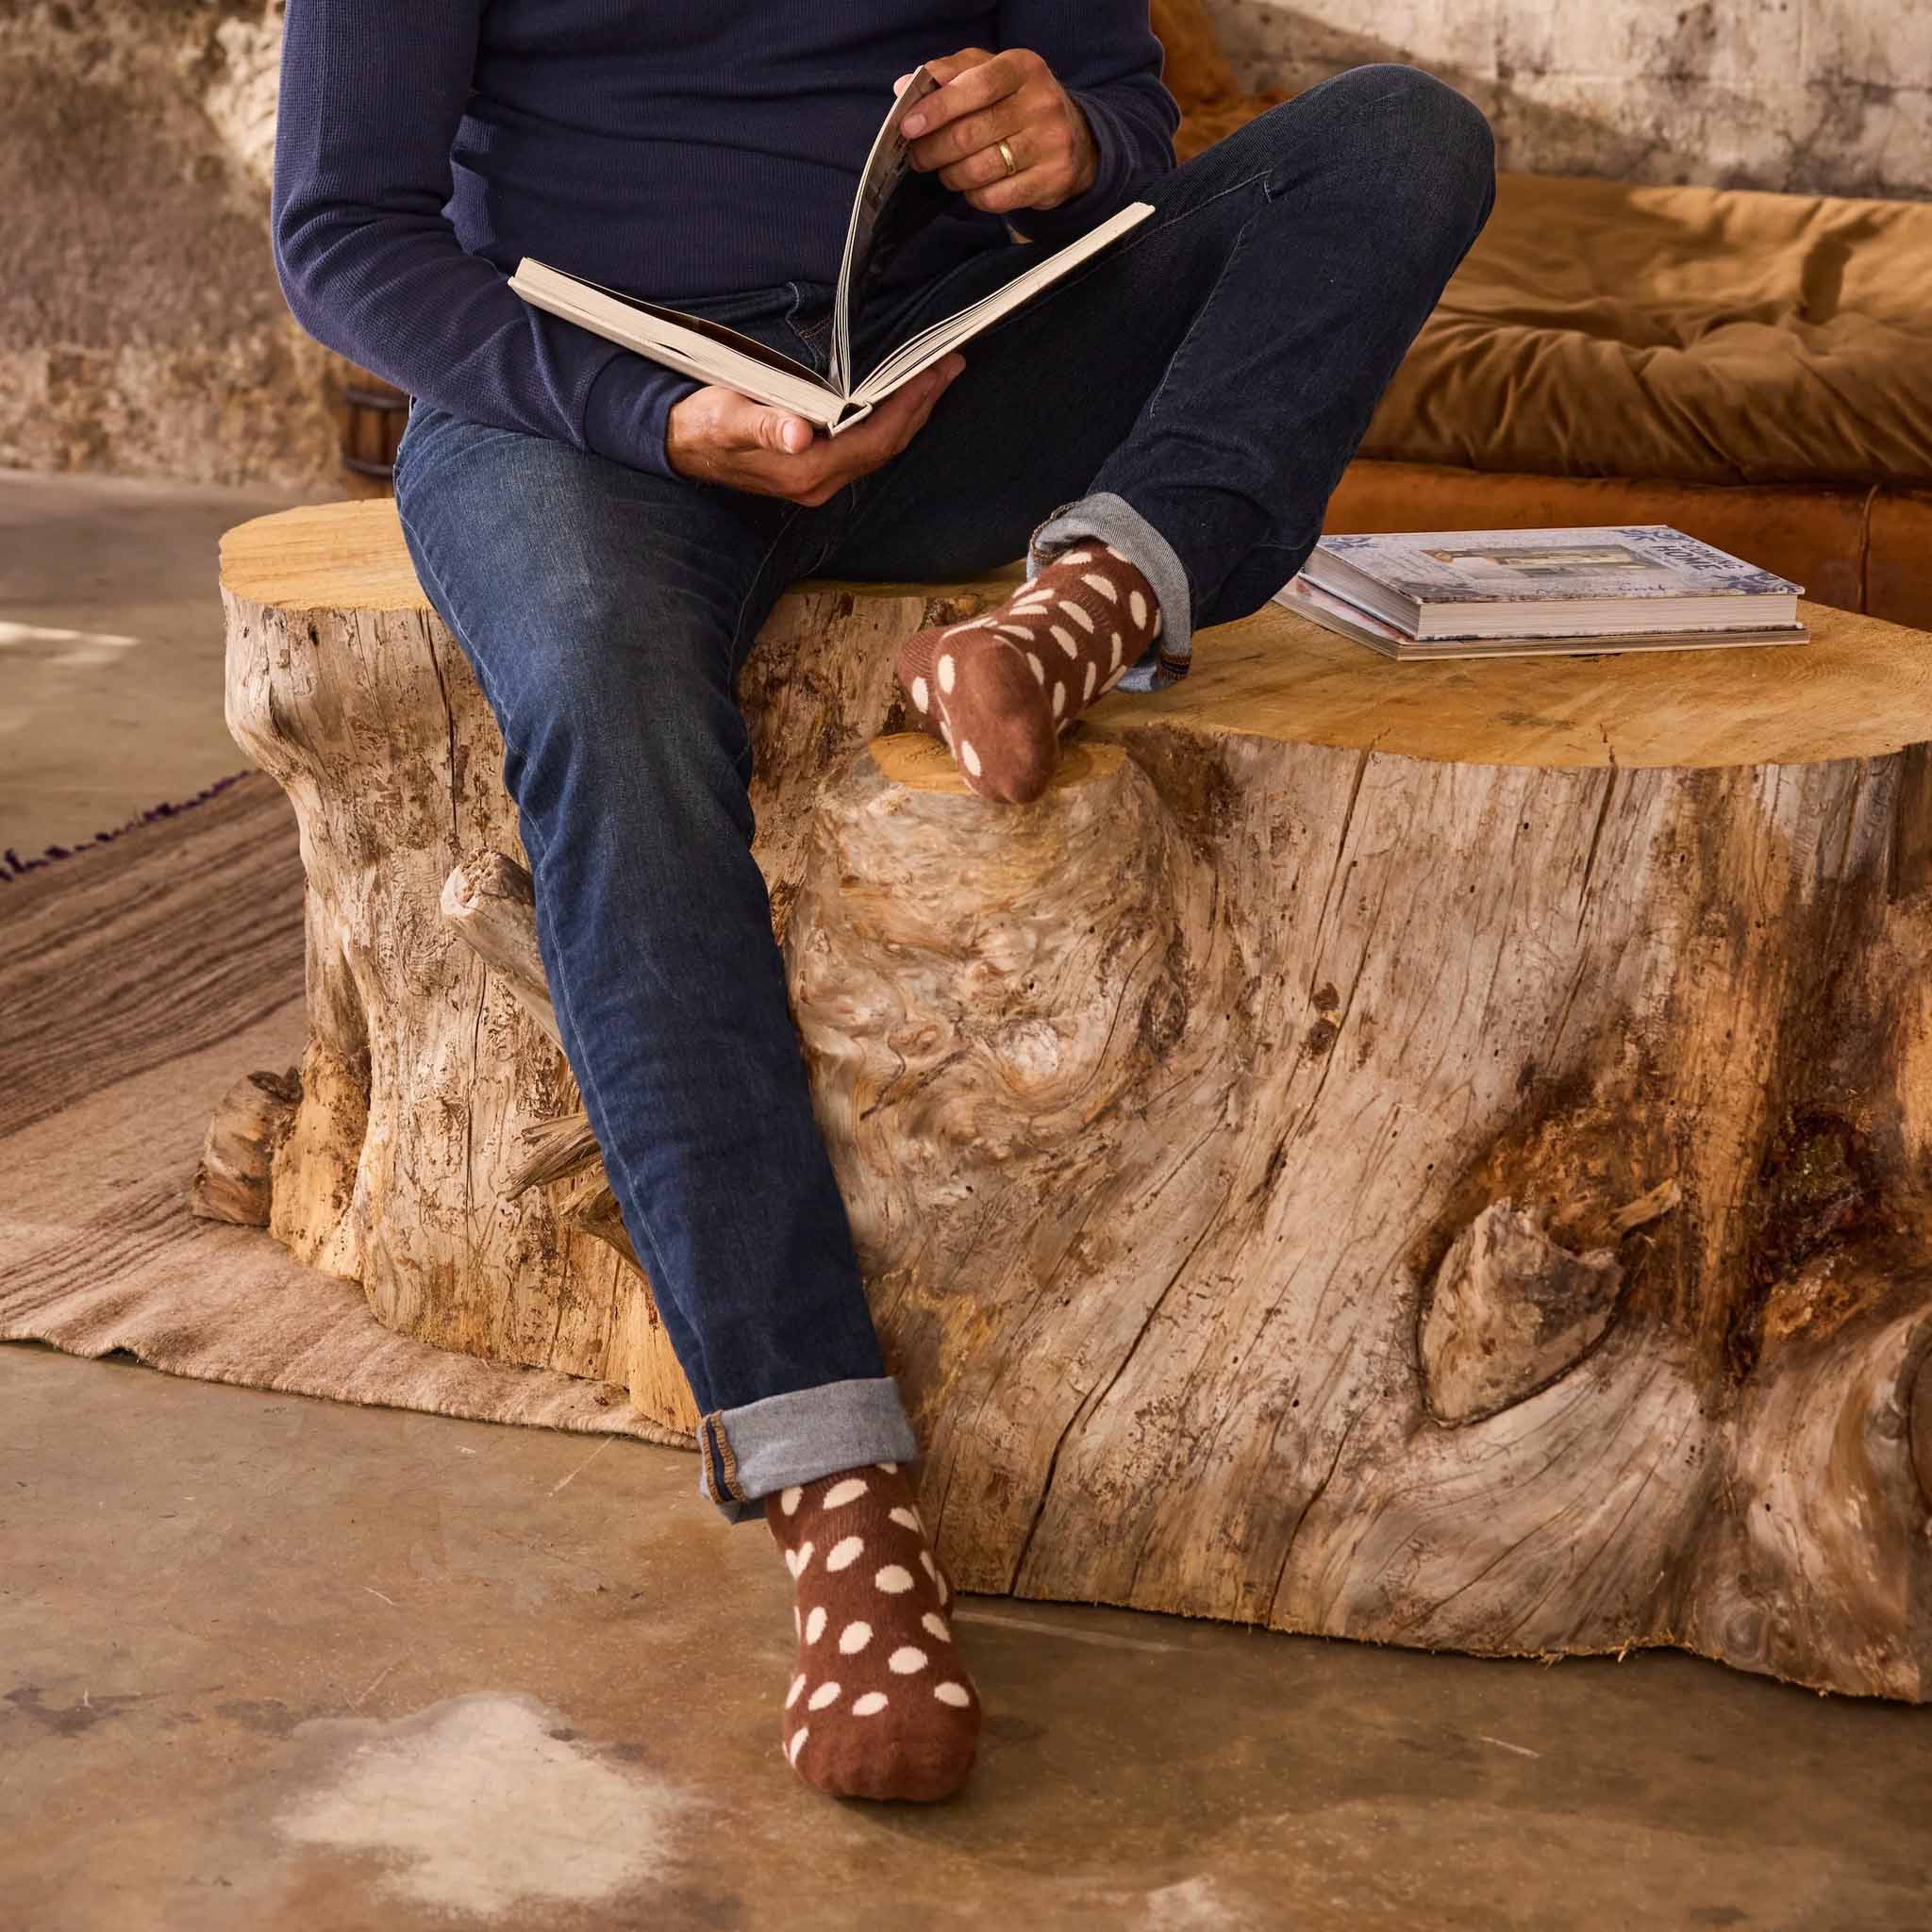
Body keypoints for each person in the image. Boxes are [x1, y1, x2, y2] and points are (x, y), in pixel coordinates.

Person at [272, 1, 1494, 1803]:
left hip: (942, 379)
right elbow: (341, 234)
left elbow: (1122, 111)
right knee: (609, 714)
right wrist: (657, 415)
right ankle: (835, 1492)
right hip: (582, 424)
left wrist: (1069, 140)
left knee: (1399, 137)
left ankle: (1091, 600)